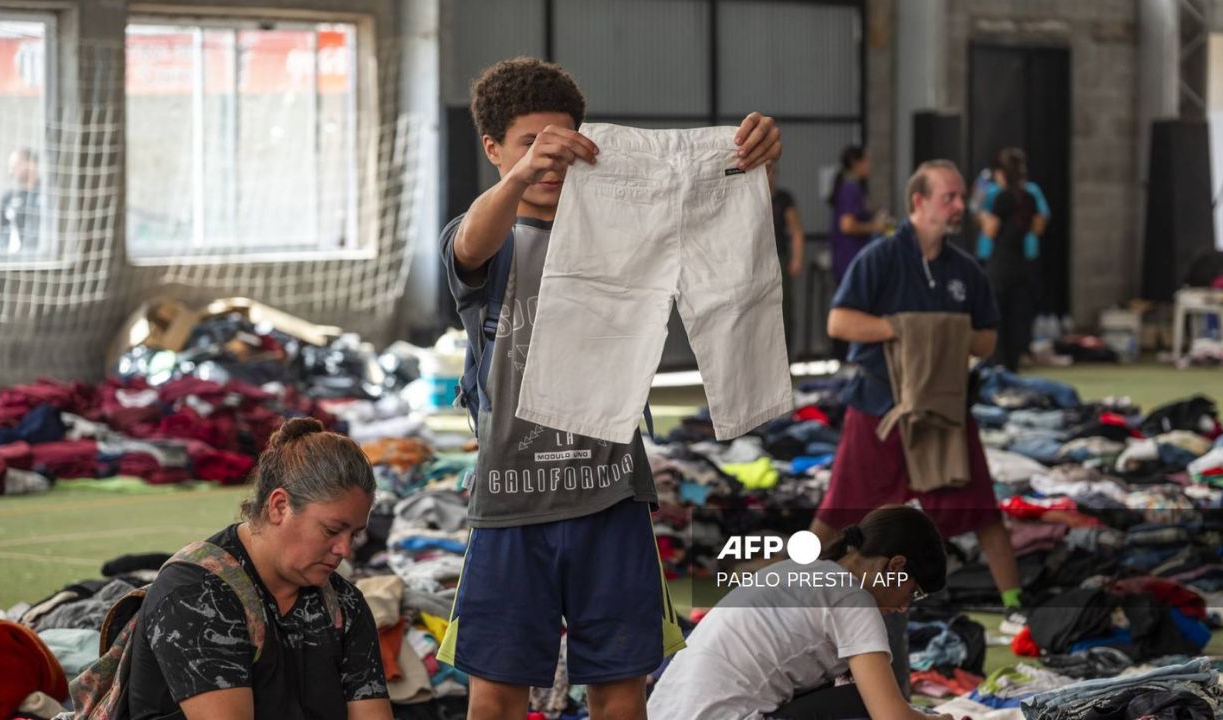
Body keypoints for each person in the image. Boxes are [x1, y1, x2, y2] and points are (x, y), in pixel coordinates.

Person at [438, 57, 783, 720]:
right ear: (493, 150)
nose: (549, 163)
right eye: (530, 145)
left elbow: (716, 219)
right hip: (512, 505)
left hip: (611, 496)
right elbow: (469, 248)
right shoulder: (487, 233)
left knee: (621, 688)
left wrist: (756, 163)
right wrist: (520, 175)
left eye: (563, 143)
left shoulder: (627, 232)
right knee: (497, 693)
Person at [811, 159, 1023, 615]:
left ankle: (1014, 605)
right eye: (950, 197)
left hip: (944, 411)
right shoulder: (880, 258)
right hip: (880, 409)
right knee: (835, 516)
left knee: (983, 512)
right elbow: (840, 321)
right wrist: (905, 329)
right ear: (919, 202)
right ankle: (780, 593)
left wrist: (946, 335)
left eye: (962, 197)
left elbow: (987, 339)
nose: (960, 206)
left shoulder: (965, 271)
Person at [127, 417, 393, 720]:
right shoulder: (196, 594)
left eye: (355, 534)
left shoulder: (344, 605)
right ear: (279, 506)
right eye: (332, 530)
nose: (345, 550)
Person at [647, 506, 955, 720]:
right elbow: (891, 716)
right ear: (896, 566)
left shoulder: (797, 569)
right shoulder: (851, 598)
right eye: (913, 592)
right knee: (861, 701)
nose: (904, 606)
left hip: (662, 711)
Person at [980, 148, 1045, 373]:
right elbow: (1037, 226)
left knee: (998, 317)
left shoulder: (1001, 197)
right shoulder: (1029, 197)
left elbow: (990, 230)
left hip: (1001, 265)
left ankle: (999, 366)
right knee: (1017, 318)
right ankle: (1013, 365)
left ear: (1001, 174)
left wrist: (981, 215)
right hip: (1021, 264)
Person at [827, 146, 885, 362]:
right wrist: (874, 226)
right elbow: (847, 225)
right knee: (850, 307)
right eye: (867, 161)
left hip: (847, 257)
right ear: (856, 163)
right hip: (848, 258)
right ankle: (847, 357)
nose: (870, 166)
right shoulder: (850, 188)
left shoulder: (852, 187)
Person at [770, 164, 806, 355]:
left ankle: (785, 360)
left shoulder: (783, 199)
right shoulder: (748, 197)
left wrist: (797, 259)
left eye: (771, 171)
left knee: (784, 311)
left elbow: (796, 230)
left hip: (780, 259)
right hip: (754, 263)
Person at [0, 147, 42, 253]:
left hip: (44, 259)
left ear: (31, 164)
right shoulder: (8, 198)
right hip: (19, 261)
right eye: (10, 166)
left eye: (15, 165)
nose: (11, 170)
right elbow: (3, 235)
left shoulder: (49, 194)